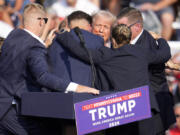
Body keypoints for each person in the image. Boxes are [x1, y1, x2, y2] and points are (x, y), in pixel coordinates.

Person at [0, 3, 99, 135]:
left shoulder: (13, 35)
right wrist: (78, 87)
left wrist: (43, 45)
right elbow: (42, 76)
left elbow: (22, 57)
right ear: (41, 22)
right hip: (13, 110)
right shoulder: (35, 47)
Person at [57, 24, 171, 135]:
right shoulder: (140, 52)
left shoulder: (106, 55)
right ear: (129, 39)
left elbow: (80, 51)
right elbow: (165, 54)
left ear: (113, 40)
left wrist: (63, 35)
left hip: (121, 112)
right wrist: (160, 39)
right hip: (145, 109)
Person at [117, 7, 176, 132]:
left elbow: (163, 54)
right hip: (136, 107)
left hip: (153, 108)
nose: (118, 31)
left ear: (137, 27)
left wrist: (161, 40)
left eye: (122, 26)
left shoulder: (147, 45)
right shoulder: (124, 40)